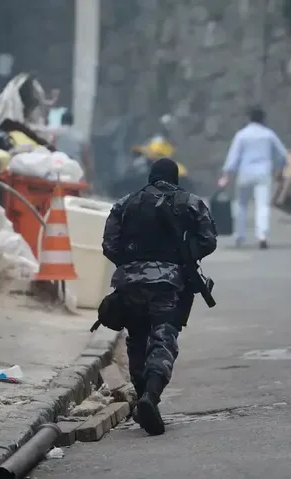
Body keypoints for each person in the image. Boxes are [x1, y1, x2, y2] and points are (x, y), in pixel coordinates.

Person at [102, 158, 217, 435]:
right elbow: (209, 240)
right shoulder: (189, 202)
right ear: (175, 178)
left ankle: (143, 396)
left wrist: (132, 265)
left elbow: (109, 245)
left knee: (137, 338)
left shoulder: (125, 203)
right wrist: (183, 257)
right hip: (168, 284)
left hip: (129, 285)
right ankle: (150, 397)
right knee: (163, 338)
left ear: (150, 177)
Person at [218, 107, 287, 249]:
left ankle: (240, 235)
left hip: (245, 173)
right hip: (263, 174)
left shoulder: (242, 135)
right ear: (263, 119)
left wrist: (227, 175)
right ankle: (262, 236)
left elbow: (233, 156)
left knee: (242, 205)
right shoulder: (268, 134)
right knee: (262, 206)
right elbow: (283, 154)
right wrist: (280, 170)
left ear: (248, 118)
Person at [54, 109, 94, 185]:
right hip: (76, 171)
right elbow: (86, 159)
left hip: (59, 171)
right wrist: (89, 181)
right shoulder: (80, 136)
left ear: (61, 121)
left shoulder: (55, 133)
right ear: (72, 122)